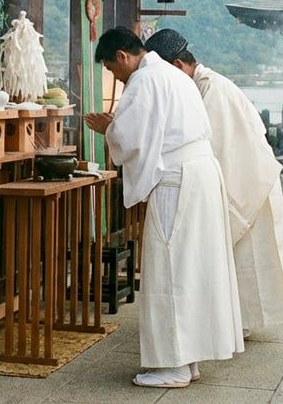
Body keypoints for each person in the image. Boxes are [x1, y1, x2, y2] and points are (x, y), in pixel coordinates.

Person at [85, 27, 242, 388]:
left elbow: (130, 138)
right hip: (200, 172)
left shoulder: (144, 80)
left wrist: (109, 130)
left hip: (178, 179)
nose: (115, 76)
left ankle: (173, 363)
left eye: (111, 69)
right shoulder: (173, 75)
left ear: (123, 57)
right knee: (194, 268)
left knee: (170, 269)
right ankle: (188, 360)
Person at [145, 29, 283, 334]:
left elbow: (214, 145)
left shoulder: (211, 89)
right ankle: (238, 322)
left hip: (247, 180)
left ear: (177, 66)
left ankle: (239, 323)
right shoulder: (200, 85)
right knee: (242, 260)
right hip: (246, 175)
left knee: (244, 257)